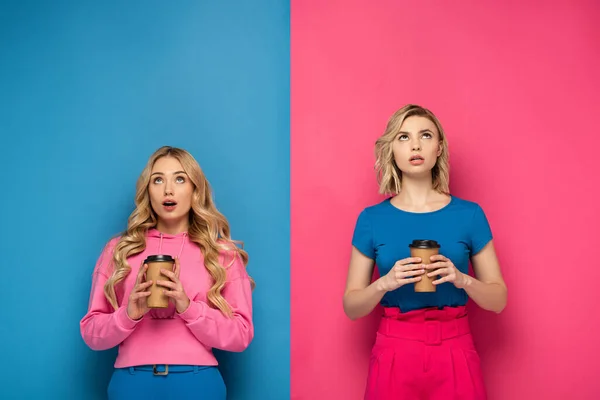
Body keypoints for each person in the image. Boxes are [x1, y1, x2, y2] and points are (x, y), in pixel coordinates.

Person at [343, 105, 507, 400]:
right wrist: (385, 283)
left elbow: (499, 300)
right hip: (394, 351)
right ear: (392, 149)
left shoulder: (470, 215)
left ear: (439, 148)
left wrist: (462, 279)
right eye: (403, 137)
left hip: (456, 350)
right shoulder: (371, 219)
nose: (415, 145)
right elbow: (352, 307)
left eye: (425, 135)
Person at [80, 146, 254, 400]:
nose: (168, 190)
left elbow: (241, 335)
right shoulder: (119, 249)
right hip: (131, 383)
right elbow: (91, 333)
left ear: (195, 189)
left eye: (180, 179)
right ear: (147, 190)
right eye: (158, 179)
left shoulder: (221, 253)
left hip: (198, 383)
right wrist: (129, 314)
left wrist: (188, 307)